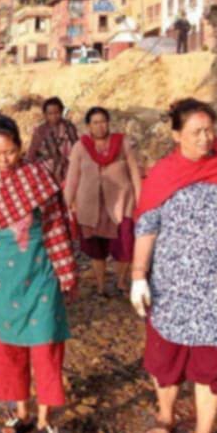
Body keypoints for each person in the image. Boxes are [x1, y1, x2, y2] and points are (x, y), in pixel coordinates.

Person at [130, 98, 217, 433]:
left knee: (212, 365)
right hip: (171, 289)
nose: (205, 138)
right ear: (176, 134)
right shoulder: (164, 174)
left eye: (209, 130)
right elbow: (147, 225)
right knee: (165, 358)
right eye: (196, 132)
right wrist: (139, 276)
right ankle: (165, 417)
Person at [0, 116, 77, 433]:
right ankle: (20, 411)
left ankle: (46, 418)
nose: (3, 160)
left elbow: (57, 225)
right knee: (7, 349)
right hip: (1, 281)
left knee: (46, 346)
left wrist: (65, 269)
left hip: (40, 273)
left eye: (9, 152)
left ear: (20, 148)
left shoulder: (37, 177)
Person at [64, 106, 141, 293]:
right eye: (95, 123)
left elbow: (135, 173)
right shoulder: (80, 147)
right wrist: (66, 204)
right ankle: (100, 285)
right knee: (96, 248)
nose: (100, 126)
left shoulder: (123, 143)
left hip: (122, 203)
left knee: (125, 243)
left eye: (103, 122)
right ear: (89, 126)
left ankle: (120, 281)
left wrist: (141, 200)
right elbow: (73, 177)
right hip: (91, 207)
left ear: (109, 123)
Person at [26, 97, 79, 185]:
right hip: (47, 168)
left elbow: (76, 145)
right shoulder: (40, 130)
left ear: (61, 112)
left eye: (57, 113)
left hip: (69, 165)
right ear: (45, 115)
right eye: (50, 114)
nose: (54, 116)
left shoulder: (69, 127)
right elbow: (32, 151)